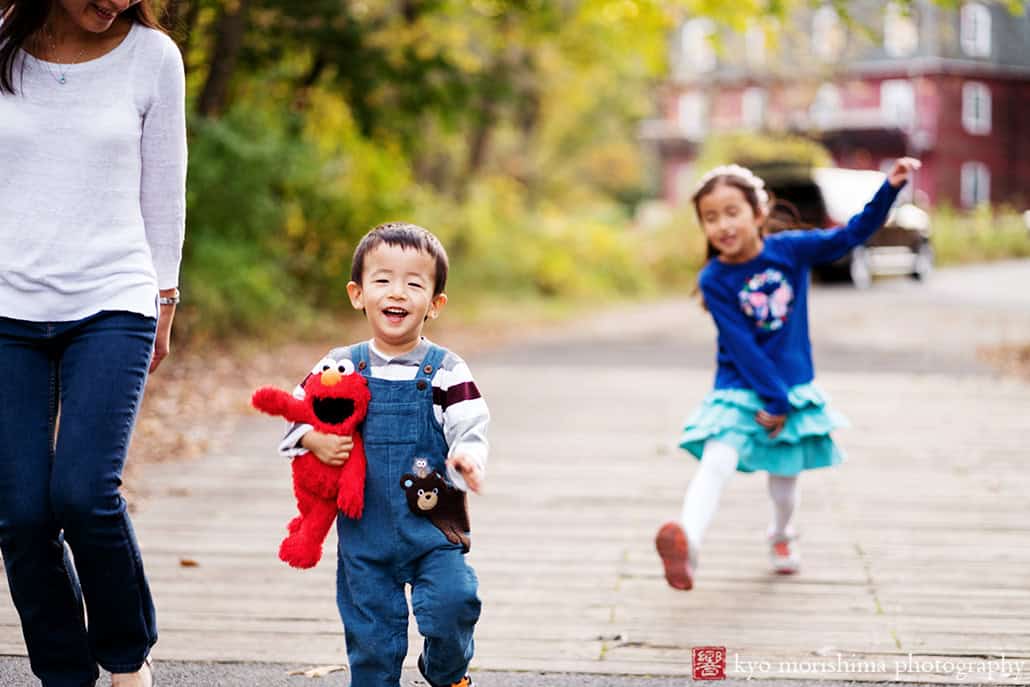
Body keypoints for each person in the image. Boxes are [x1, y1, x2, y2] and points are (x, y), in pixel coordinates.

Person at [0, 0, 186, 685]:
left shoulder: (152, 58)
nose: (115, 1)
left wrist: (164, 298)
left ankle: (126, 651)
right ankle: (64, 673)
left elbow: (165, 189)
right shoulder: (3, 46)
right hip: (7, 307)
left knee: (82, 490)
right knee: (19, 514)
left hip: (113, 298)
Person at [655, 158, 921, 591]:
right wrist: (771, 399)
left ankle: (781, 535)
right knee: (717, 458)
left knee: (783, 481)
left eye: (731, 212)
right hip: (741, 385)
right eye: (710, 217)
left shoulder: (791, 251)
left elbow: (851, 235)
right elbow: (743, 347)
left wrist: (888, 189)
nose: (722, 224)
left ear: (758, 214)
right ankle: (689, 544)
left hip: (791, 387)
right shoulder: (715, 278)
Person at [278, 223, 489, 687]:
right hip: (365, 534)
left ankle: (446, 670)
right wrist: (313, 439)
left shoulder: (447, 370)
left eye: (414, 283)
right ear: (358, 294)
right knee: (371, 640)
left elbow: (470, 424)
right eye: (383, 280)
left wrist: (466, 458)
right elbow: (298, 410)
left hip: (435, 528)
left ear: (435, 303)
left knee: (455, 604)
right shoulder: (340, 366)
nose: (398, 292)